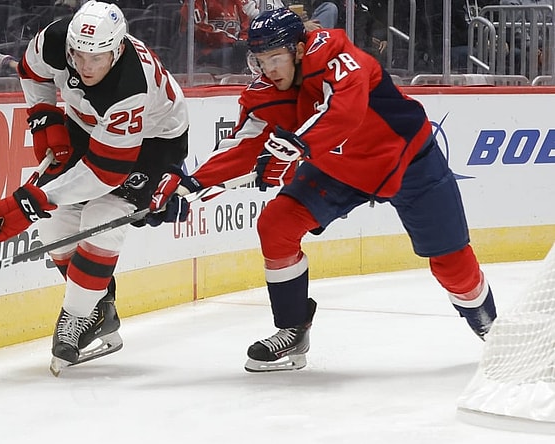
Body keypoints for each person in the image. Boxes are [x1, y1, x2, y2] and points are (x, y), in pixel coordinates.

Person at [148, 8, 497, 373]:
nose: (269, 70)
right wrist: (189, 187)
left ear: (298, 50)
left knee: (451, 264)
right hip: (339, 172)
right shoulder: (266, 92)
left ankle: (494, 332)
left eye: (276, 58)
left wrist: (295, 146)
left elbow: (346, 113)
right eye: (260, 60)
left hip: (408, 162)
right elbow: (244, 147)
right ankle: (292, 330)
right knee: (276, 225)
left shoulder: (341, 59)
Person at [0, 0, 189, 376]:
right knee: (55, 222)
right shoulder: (56, 40)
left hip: (153, 139)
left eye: (98, 58)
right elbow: (32, 71)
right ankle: (99, 309)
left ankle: (76, 315)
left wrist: (37, 197)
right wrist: (43, 115)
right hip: (88, 121)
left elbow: (106, 173)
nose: (86, 66)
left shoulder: (129, 85)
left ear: (118, 48)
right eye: (79, 55)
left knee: (102, 215)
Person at [180, 0, 251, 73]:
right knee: (238, 53)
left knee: (253, 53)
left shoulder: (237, 2)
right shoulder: (195, 2)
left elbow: (246, 25)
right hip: (204, 53)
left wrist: (243, 40)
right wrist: (235, 42)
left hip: (232, 49)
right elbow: (200, 30)